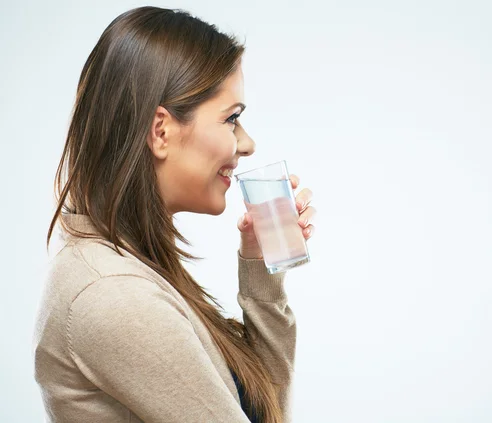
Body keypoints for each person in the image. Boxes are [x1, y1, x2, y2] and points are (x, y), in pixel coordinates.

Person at [32, 6, 316, 423]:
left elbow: (263, 410)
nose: (248, 143)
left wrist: (260, 266)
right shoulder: (113, 294)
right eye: (231, 119)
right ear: (160, 131)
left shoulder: (130, 266)